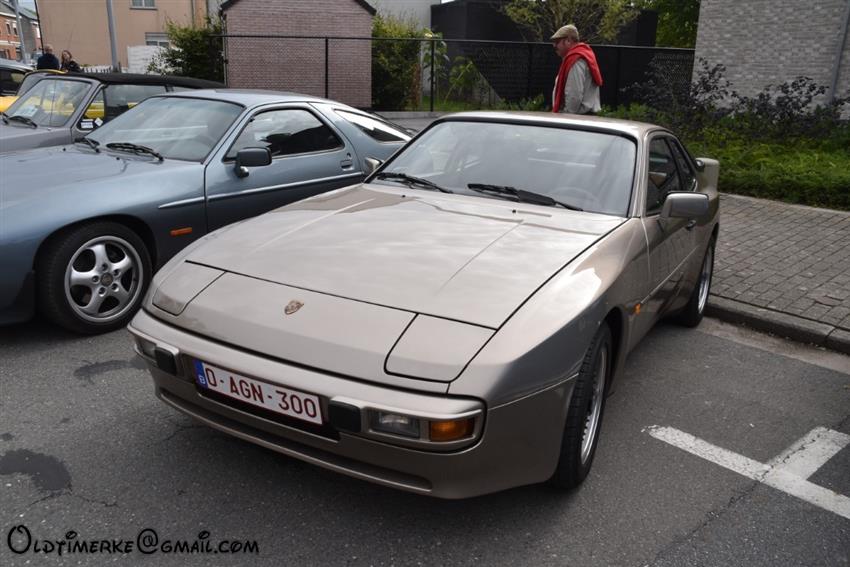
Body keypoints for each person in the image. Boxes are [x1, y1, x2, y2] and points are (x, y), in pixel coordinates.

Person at [550, 25, 602, 115]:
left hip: (577, 118)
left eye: (557, 42)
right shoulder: (581, 56)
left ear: (568, 41)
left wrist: (567, 116)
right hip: (583, 117)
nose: (554, 45)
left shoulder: (575, 60)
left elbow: (574, 95)